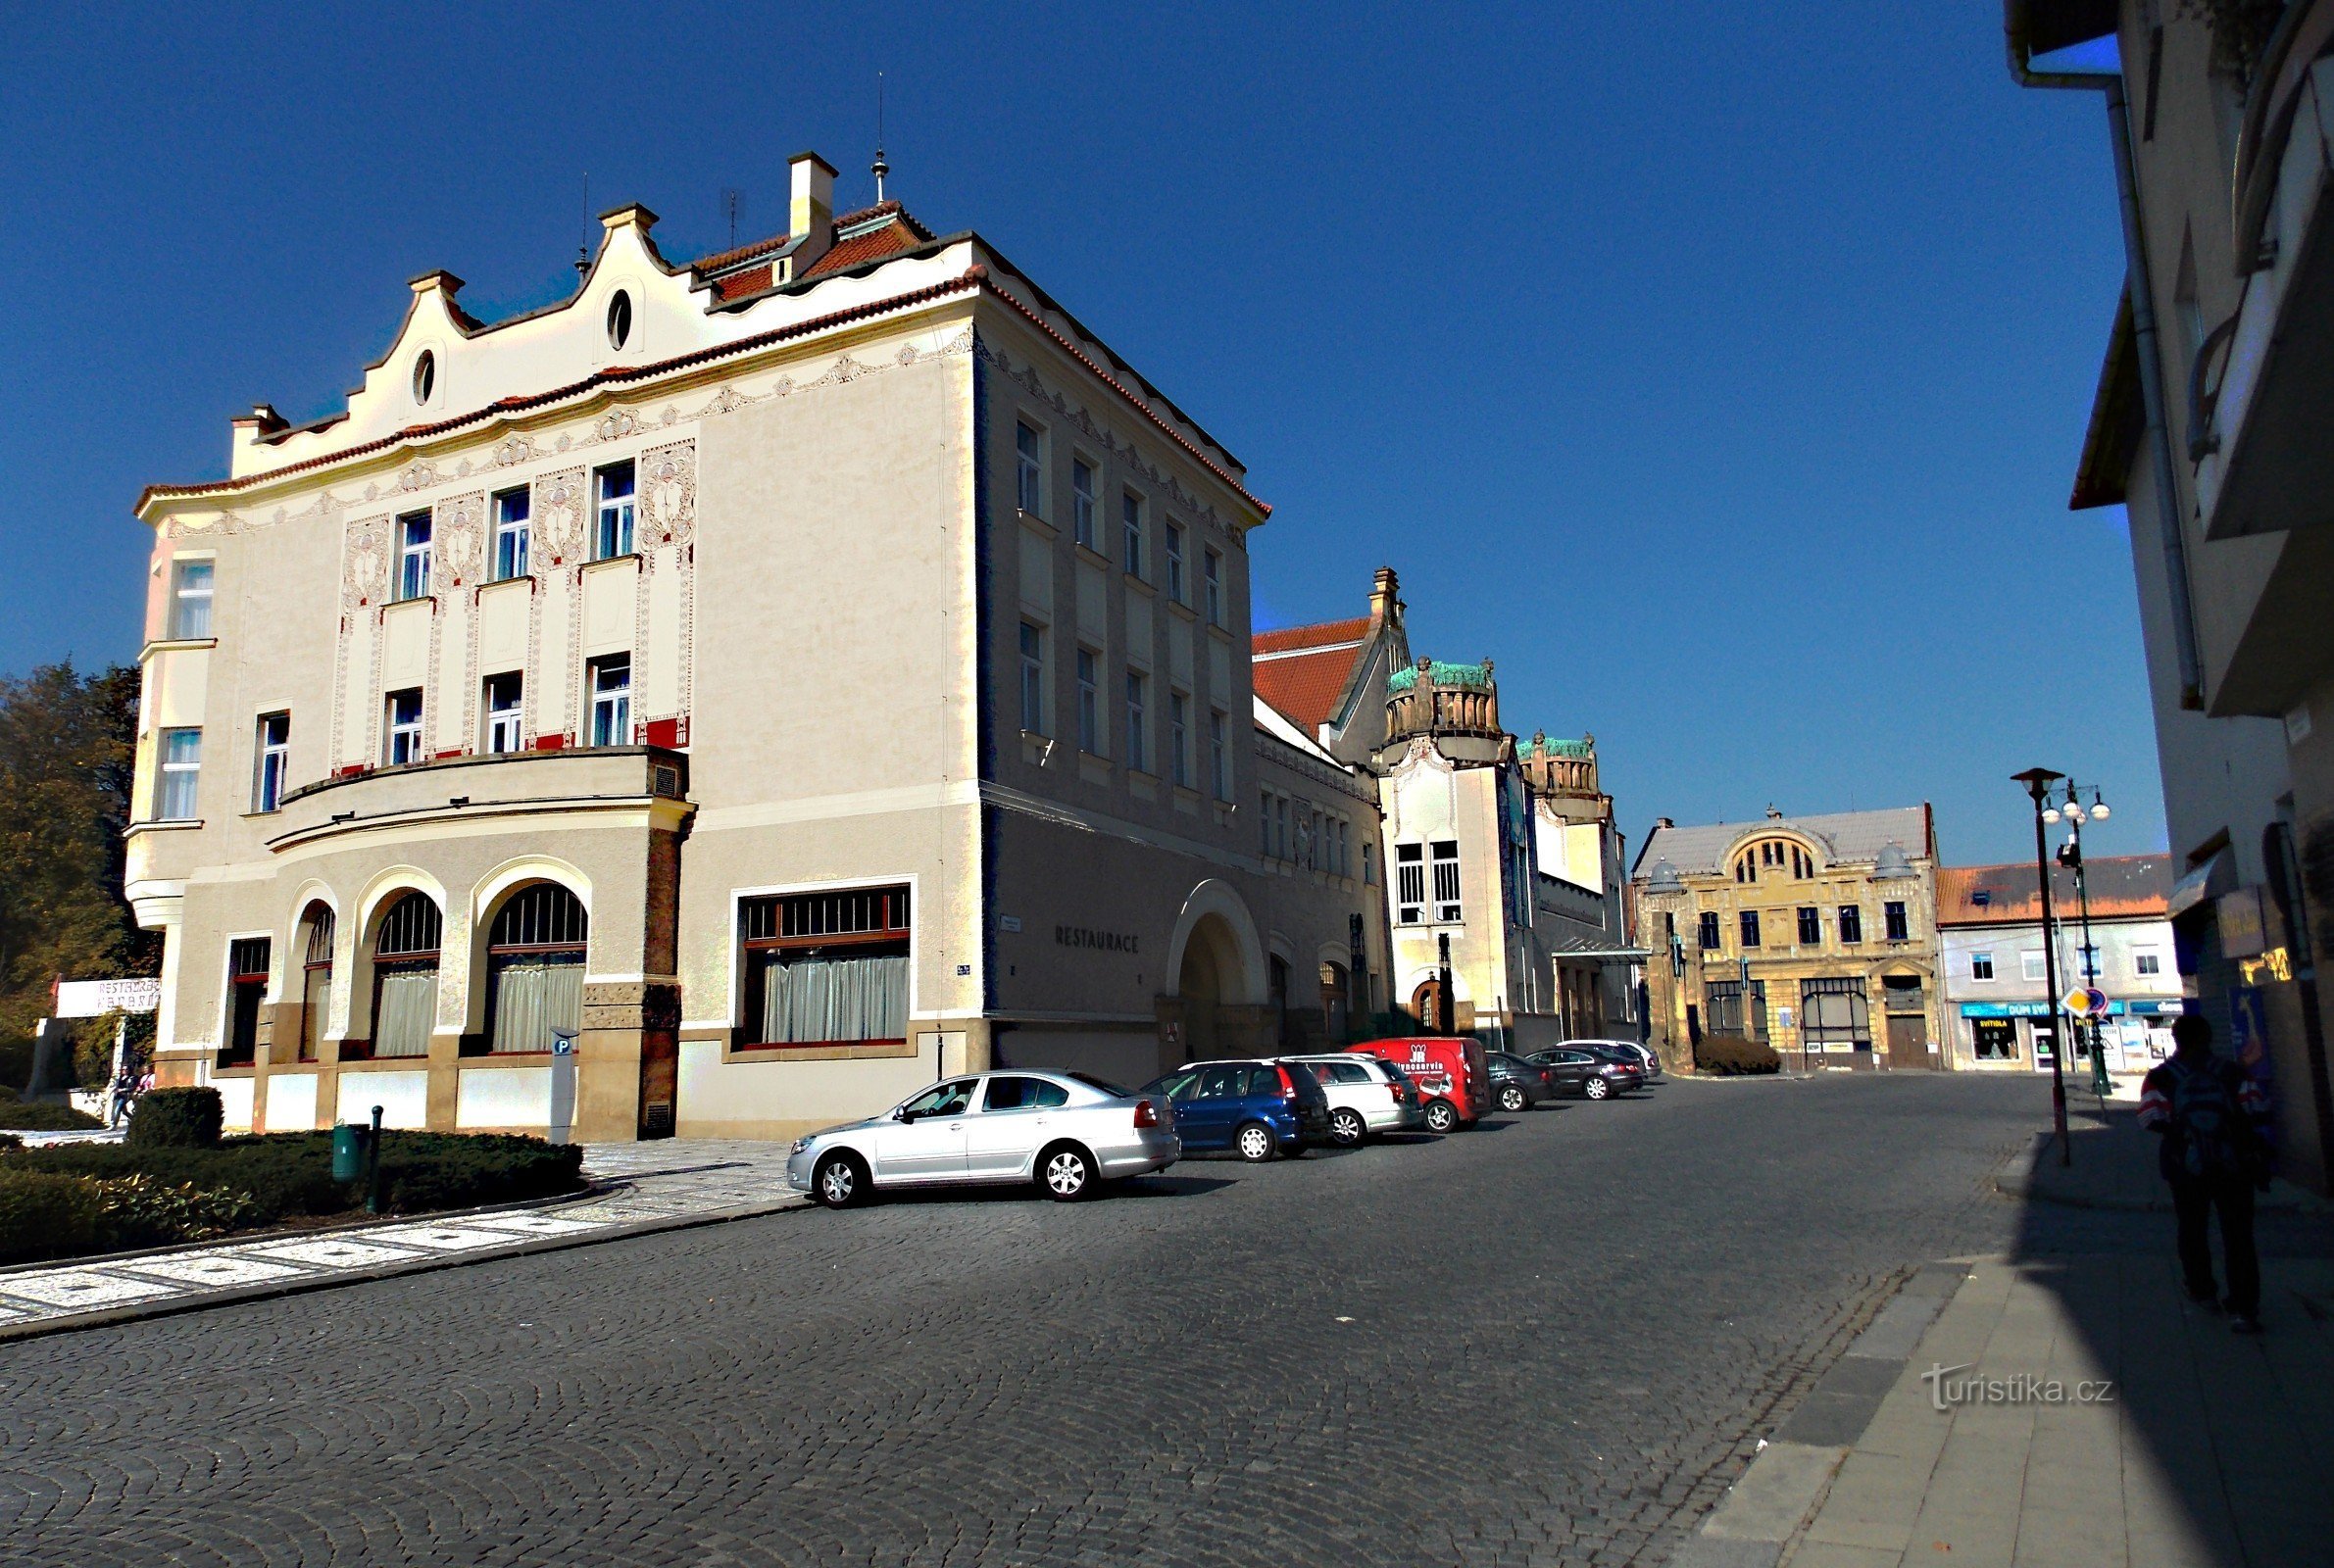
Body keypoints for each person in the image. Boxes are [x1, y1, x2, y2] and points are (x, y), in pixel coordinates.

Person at [2138, 1014, 2271, 1333]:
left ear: (2175, 1039)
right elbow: (2258, 1110)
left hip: (2185, 1166)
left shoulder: (2160, 1076)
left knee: (2192, 1227)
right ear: (2209, 1038)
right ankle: (2243, 1308)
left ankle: (2202, 1290)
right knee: (2238, 1235)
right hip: (2233, 1165)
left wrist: (2183, 1132)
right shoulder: (2233, 1072)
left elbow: (2149, 1118)